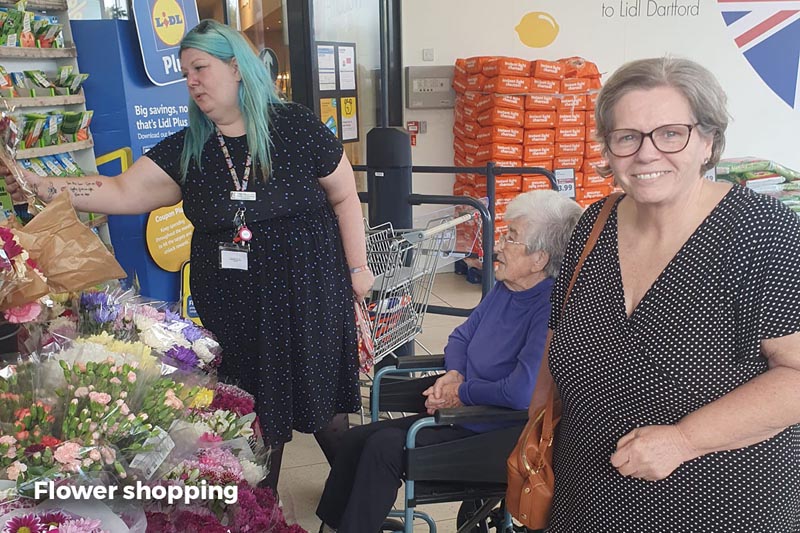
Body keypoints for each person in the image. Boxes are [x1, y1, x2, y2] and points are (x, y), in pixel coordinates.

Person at [3, 19, 373, 491]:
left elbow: (345, 196)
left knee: (325, 410)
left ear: (236, 68)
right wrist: (40, 185)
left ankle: (361, 499)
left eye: (200, 68)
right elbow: (120, 190)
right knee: (253, 419)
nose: (192, 81)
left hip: (308, 298)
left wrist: (358, 269)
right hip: (235, 309)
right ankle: (264, 514)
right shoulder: (191, 147)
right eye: (185, 74)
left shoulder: (295, 127)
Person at [546, 57, 800, 532]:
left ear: (707, 141)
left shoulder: (764, 233)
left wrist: (684, 440)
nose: (646, 154)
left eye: (670, 134)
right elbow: (559, 339)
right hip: (586, 499)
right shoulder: (593, 227)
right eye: (627, 137)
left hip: (719, 505)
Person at [315, 190, 582, 533]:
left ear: (539, 259)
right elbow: (460, 337)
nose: (498, 245)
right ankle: (334, 527)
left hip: (498, 434)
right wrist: (454, 375)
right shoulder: (505, 290)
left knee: (383, 448)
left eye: (511, 237)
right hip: (464, 415)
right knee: (356, 440)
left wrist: (462, 393)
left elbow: (521, 393)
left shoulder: (548, 309)